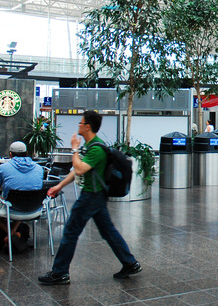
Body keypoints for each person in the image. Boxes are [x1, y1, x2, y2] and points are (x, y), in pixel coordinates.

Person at [39, 111, 141, 285]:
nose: (78, 125)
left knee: (70, 232)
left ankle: (60, 272)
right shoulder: (94, 145)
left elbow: (79, 169)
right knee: (108, 231)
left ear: (87, 126)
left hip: (90, 196)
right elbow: (79, 170)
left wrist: (74, 149)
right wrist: (59, 186)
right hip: (97, 196)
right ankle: (130, 262)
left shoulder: (96, 149)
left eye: (80, 123)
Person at [0, 141, 43, 251]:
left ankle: (11, 233)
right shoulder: (38, 168)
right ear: (27, 153)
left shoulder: (4, 167)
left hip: (12, 208)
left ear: (11, 154)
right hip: (34, 209)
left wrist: (0, 197)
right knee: (23, 203)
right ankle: (15, 234)